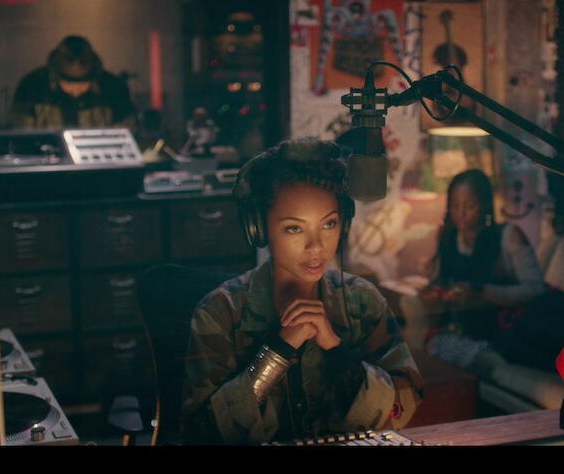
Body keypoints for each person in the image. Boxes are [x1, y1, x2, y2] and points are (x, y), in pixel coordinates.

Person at [180, 137, 423, 445]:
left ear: (344, 223)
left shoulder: (363, 301)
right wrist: (276, 353)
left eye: (328, 224)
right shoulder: (220, 312)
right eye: (294, 228)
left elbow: (403, 407)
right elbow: (201, 435)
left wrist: (337, 352)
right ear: (259, 227)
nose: (316, 246)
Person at [418, 169, 564, 372]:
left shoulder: (509, 236)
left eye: (469, 206)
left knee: (519, 336)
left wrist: (481, 291)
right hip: (482, 327)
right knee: (441, 345)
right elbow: (440, 282)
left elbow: (535, 289)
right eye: (454, 206)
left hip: (525, 315)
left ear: (485, 205)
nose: (460, 213)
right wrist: (434, 294)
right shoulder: (447, 237)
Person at [10, 35, 136, 131]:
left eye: (82, 85)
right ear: (57, 78)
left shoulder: (114, 88)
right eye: (69, 84)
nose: (76, 91)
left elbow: (127, 133)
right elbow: (22, 135)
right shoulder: (32, 87)